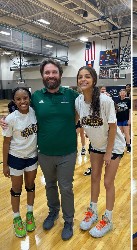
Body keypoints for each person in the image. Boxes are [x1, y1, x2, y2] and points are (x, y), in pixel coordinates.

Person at [1, 59, 79, 240]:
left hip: (67, 152)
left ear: (60, 74)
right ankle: (53, 212)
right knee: (50, 185)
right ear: (42, 76)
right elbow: (20, 108)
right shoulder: (36, 96)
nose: (51, 76)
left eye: (54, 72)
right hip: (43, 153)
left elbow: (81, 112)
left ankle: (68, 220)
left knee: (66, 188)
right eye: (47, 73)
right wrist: (5, 116)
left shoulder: (71, 95)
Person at [75, 66, 125, 238]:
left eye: (87, 76)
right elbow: (75, 120)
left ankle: (108, 219)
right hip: (95, 146)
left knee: (107, 182)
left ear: (94, 80)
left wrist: (108, 153)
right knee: (94, 178)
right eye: (80, 77)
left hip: (114, 146)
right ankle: (93, 211)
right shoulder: (78, 101)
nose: (83, 79)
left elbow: (112, 127)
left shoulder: (105, 101)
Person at [2, 87, 38, 238]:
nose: (22, 101)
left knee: (30, 186)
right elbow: (6, 143)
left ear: (29, 98)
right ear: (14, 101)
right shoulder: (11, 119)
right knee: (16, 189)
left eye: (25, 98)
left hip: (32, 156)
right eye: (18, 99)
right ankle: (16, 217)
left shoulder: (36, 113)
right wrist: (5, 164)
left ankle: (29, 214)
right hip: (16, 158)